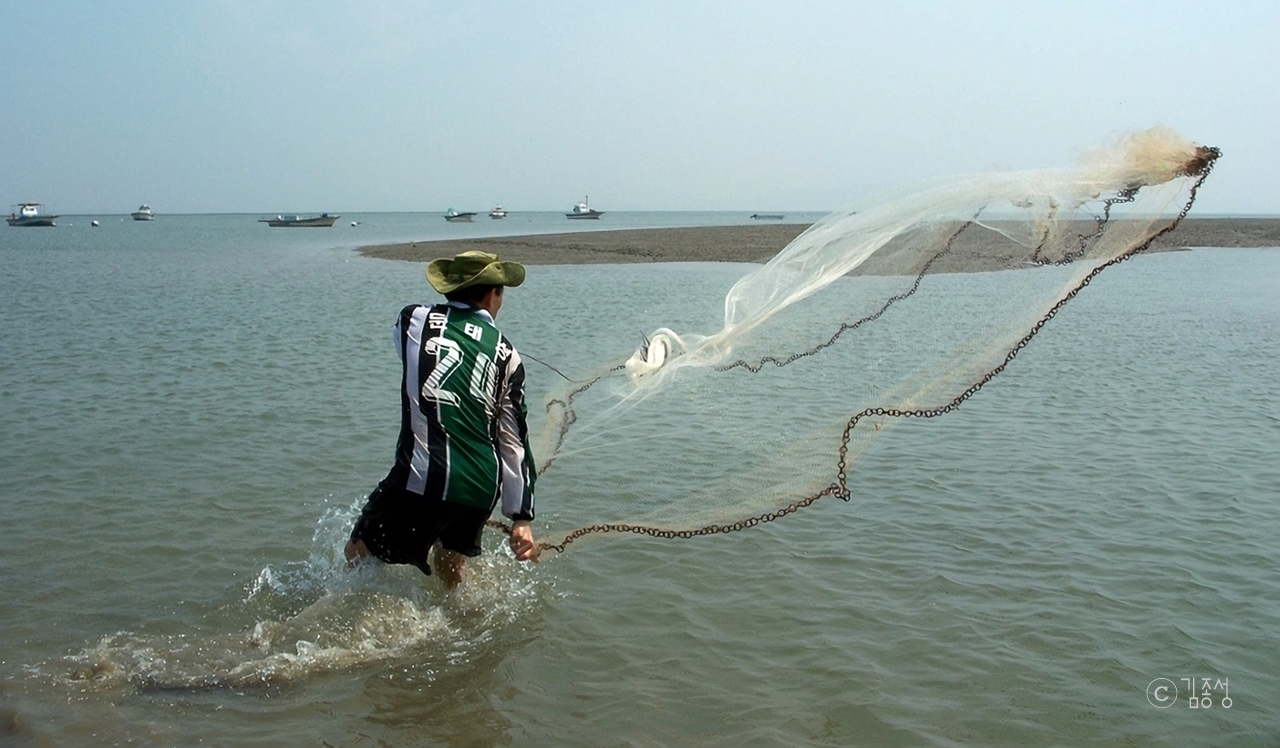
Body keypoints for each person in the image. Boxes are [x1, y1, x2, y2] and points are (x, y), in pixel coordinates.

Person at [345, 250, 538, 587]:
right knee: (450, 569)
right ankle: (464, 624)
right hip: (479, 488)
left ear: (448, 288)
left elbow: (412, 360)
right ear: (493, 294)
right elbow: (513, 440)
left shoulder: (412, 320)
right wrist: (521, 518)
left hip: (420, 478)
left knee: (357, 555)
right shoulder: (509, 354)